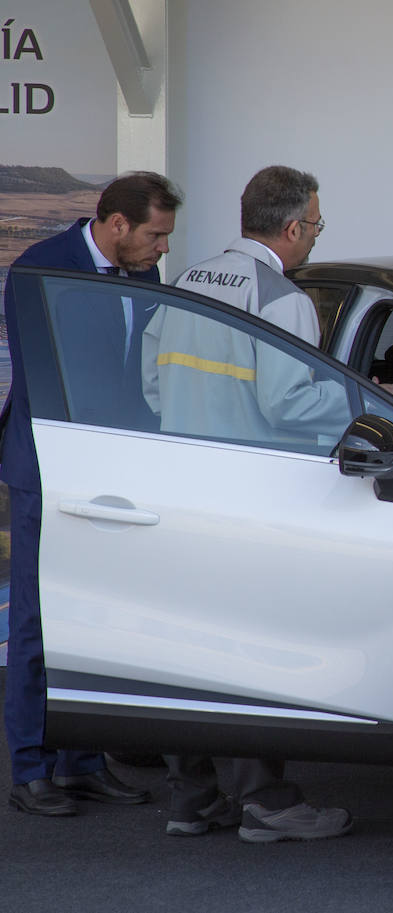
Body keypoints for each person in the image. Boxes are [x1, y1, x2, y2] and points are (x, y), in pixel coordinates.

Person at [152, 165, 393, 842]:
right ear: (294, 226)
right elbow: (289, 402)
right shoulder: (283, 298)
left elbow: (151, 387)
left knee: (186, 643)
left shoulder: (187, 281)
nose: (315, 240)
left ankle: (192, 798)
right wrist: (372, 400)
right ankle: (266, 802)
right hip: (244, 492)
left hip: (175, 484)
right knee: (241, 648)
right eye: (317, 226)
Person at [0, 171, 180, 816]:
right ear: (117, 223)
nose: (163, 249)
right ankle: (31, 767)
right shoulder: (42, 269)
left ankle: (81, 761)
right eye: (156, 235)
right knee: (37, 620)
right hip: (51, 467)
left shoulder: (144, 278)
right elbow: (46, 375)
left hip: (114, 471)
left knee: (97, 615)